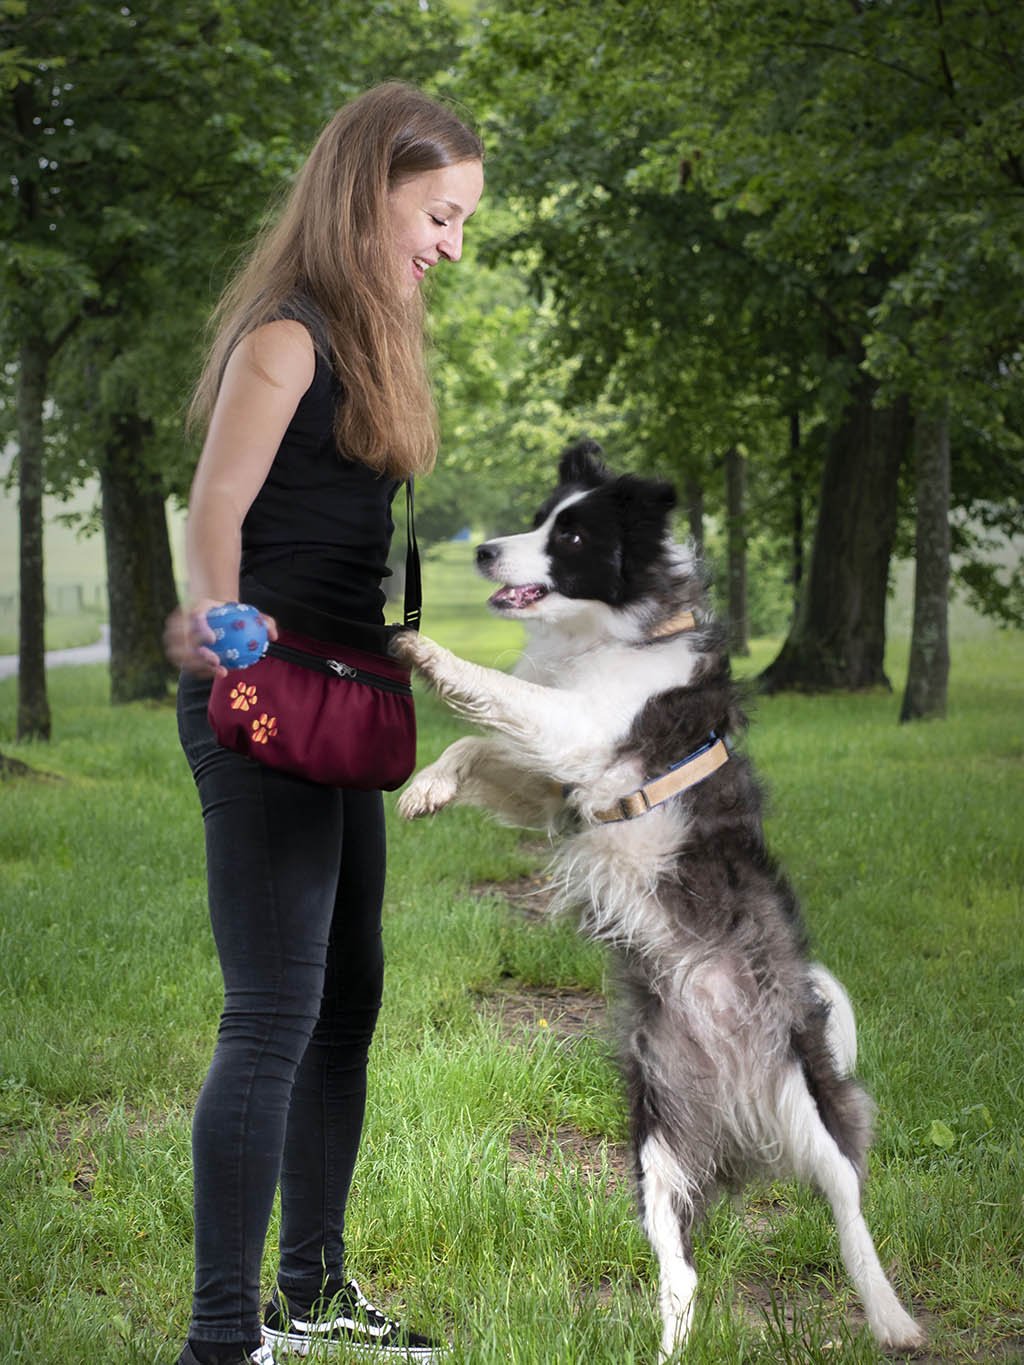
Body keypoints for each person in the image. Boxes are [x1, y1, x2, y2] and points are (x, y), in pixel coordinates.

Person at [165, 83, 484, 1365]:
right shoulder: (285, 334)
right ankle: (218, 1337)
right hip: (267, 702)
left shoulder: (367, 339)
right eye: (439, 214)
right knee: (274, 1011)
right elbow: (214, 513)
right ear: (370, 192)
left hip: (343, 705)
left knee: (344, 998)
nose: (452, 244)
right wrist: (228, 652)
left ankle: (308, 1292)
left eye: (463, 221)